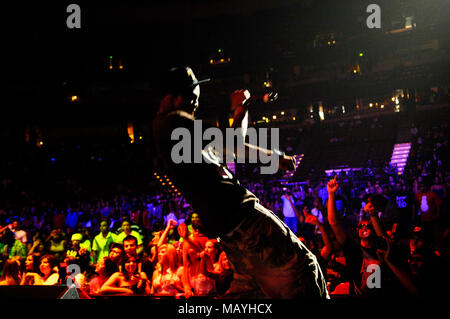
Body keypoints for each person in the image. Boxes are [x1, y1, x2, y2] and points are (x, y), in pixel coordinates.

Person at [152, 66, 328, 298]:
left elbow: (232, 147)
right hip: (245, 218)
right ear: (173, 98)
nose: (195, 105)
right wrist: (276, 157)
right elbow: (233, 143)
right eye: (192, 98)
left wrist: (242, 112)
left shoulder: (176, 136)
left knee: (254, 290)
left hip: (231, 233)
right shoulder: (172, 123)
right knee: (304, 269)